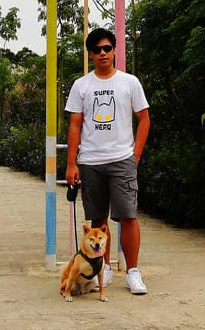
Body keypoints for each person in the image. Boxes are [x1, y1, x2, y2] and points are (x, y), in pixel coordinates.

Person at [64, 27, 151, 295]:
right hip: (90, 161)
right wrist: (71, 164)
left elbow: (144, 119)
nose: (102, 53)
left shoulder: (129, 82)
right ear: (90, 54)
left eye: (107, 48)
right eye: (97, 50)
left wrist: (135, 155)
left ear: (114, 50)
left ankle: (133, 272)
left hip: (122, 159)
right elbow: (75, 125)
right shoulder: (81, 86)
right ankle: (104, 268)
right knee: (98, 220)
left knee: (128, 216)